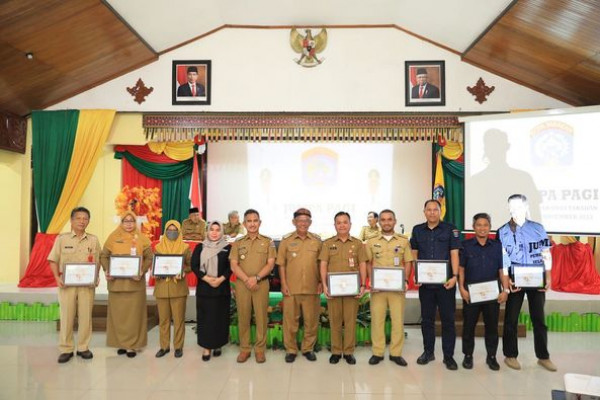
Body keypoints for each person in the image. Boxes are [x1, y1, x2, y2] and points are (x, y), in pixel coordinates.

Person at [497, 194, 556, 371]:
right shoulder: (502, 231)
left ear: (526, 206)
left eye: (519, 205)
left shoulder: (538, 228)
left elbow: (546, 252)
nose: (515, 209)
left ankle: (543, 356)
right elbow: (503, 259)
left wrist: (549, 276)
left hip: (537, 277)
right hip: (515, 278)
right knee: (511, 319)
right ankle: (510, 355)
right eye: (511, 206)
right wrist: (506, 283)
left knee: (538, 318)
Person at [410, 199, 461, 370]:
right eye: (429, 210)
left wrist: (454, 276)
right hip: (426, 285)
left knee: (448, 320)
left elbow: (454, 254)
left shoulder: (450, 229)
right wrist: (416, 274)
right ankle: (428, 352)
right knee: (427, 320)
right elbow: (414, 254)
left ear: (441, 211)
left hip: (446, 283)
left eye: (435, 209)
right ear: (424, 212)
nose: (432, 212)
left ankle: (449, 356)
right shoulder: (417, 230)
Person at [48, 207, 100, 363]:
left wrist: (96, 277)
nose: (82, 221)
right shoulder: (62, 239)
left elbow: (96, 261)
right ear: (71, 220)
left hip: (86, 285)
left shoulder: (93, 240)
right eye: (78, 218)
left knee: (85, 317)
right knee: (66, 317)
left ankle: (83, 347)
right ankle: (66, 348)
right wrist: (57, 278)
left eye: (85, 218)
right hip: (67, 285)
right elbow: (53, 260)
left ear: (88, 221)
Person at [458, 213, 510, 371]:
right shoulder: (465, 246)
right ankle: (468, 356)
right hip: (471, 295)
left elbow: (503, 270)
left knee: (492, 327)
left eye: (485, 225)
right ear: (473, 227)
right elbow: (461, 269)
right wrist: (461, 289)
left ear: (490, 227)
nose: (482, 228)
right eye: (479, 225)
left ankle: (492, 357)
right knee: (468, 327)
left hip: (492, 295)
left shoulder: (497, 247)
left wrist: (505, 290)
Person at [100, 211, 153, 358]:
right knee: (118, 316)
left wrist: (141, 271)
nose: (129, 224)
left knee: (134, 316)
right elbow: (103, 256)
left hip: (135, 284)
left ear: (135, 222)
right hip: (117, 284)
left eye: (131, 221)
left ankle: (132, 346)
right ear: (121, 222)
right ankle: (121, 344)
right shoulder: (113, 237)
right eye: (125, 221)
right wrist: (106, 269)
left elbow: (150, 257)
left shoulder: (142, 238)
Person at [365, 209, 413, 366]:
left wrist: (405, 281)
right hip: (378, 289)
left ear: (395, 221)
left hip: (396, 289)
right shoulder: (371, 241)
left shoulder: (403, 241)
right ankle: (377, 352)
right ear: (379, 222)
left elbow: (408, 262)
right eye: (383, 220)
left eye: (389, 219)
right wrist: (370, 280)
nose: (386, 222)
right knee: (377, 320)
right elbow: (367, 262)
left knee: (397, 321)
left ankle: (395, 353)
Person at [319, 211, 367, 365]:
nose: (342, 225)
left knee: (350, 320)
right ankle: (335, 351)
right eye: (338, 223)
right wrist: (325, 284)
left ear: (350, 224)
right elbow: (323, 264)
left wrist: (363, 284)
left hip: (351, 290)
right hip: (334, 290)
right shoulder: (327, 244)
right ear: (335, 225)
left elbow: (362, 264)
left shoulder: (358, 244)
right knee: (335, 321)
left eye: (345, 222)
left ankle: (348, 351)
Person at [229, 209, 276, 363]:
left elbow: (270, 264)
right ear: (244, 224)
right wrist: (247, 280)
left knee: (262, 317)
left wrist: (255, 278)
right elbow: (234, 265)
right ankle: (245, 349)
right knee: (243, 317)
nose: (252, 224)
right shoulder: (238, 243)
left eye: (255, 220)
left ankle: (260, 350)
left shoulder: (268, 241)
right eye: (249, 221)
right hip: (243, 285)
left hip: (261, 284)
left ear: (259, 223)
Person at [276, 208, 323, 363]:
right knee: (290, 321)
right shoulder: (286, 241)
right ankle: (291, 349)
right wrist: (283, 284)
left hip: (312, 288)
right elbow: (281, 264)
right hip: (291, 288)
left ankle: (308, 348)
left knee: (311, 321)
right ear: (294, 222)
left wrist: (322, 282)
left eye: (306, 221)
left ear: (310, 223)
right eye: (300, 220)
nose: (303, 223)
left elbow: (322, 264)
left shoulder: (317, 241)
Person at [191, 221, 232, 361]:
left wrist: (221, 279)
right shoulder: (200, 247)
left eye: (217, 230)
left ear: (222, 232)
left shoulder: (227, 247)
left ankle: (218, 344)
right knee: (205, 319)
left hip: (221, 289)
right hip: (205, 289)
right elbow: (194, 266)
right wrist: (207, 279)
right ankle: (206, 347)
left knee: (220, 318)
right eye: (212, 230)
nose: (214, 232)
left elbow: (230, 267)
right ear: (207, 231)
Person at [153, 220, 192, 359]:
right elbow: (155, 265)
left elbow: (190, 266)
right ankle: (164, 347)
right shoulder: (158, 247)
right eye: (169, 230)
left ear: (179, 231)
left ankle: (178, 347)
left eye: (174, 230)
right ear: (165, 231)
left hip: (178, 288)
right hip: (162, 287)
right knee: (163, 320)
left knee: (178, 320)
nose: (171, 232)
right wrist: (155, 271)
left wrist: (183, 271)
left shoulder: (185, 247)